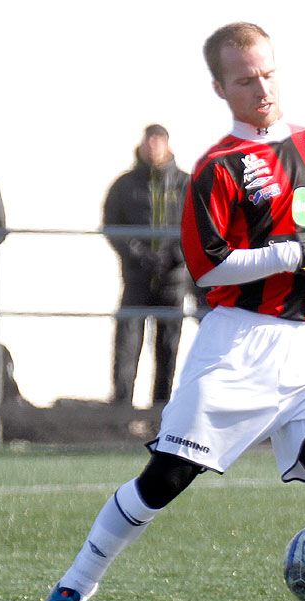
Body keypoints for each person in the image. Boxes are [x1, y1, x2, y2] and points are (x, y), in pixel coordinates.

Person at [31, 22, 305, 601]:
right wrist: (293, 253)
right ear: (221, 87)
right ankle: (72, 590)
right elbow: (210, 266)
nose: (262, 87)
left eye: (269, 72)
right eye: (246, 79)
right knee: (164, 480)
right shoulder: (217, 167)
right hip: (239, 344)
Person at [104, 124, 196, 407]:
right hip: (136, 278)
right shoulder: (124, 185)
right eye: (149, 140)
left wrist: (173, 257)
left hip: (174, 281)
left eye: (159, 140)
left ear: (167, 144)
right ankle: (121, 412)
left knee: (168, 347)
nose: (153, 146)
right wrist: (138, 253)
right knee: (127, 343)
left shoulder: (186, 184)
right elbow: (111, 224)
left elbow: (199, 226)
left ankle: (161, 412)